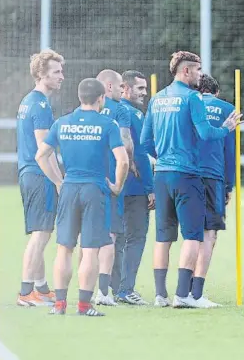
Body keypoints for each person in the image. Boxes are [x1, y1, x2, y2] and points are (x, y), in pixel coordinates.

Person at [141, 51, 242, 308]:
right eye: (197, 70)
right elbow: (207, 134)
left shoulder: (157, 98)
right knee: (194, 236)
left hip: (161, 175)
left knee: (163, 236)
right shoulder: (192, 97)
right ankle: (184, 295)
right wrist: (227, 128)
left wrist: (164, 156)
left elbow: (144, 142)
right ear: (186, 71)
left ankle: (160, 295)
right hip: (187, 174)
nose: (200, 75)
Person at [36, 78, 129, 316]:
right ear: (101, 98)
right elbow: (123, 160)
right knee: (90, 250)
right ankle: (85, 306)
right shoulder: (108, 124)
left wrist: (58, 181)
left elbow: (41, 156)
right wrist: (117, 185)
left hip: (69, 188)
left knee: (64, 248)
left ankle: (59, 305)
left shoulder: (62, 122)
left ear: (79, 97)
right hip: (95, 189)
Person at [16, 49, 64, 307]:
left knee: (40, 231)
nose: (62, 76)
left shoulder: (28, 101)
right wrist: (59, 181)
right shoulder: (41, 105)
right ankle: (25, 293)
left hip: (28, 175)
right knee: (42, 234)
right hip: (38, 176)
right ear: (41, 74)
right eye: (56, 72)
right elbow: (43, 153)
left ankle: (41, 288)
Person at [191, 74, 236, 308]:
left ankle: (178, 289)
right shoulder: (227, 109)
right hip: (213, 176)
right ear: (215, 92)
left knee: (190, 234)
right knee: (209, 234)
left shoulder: (187, 104)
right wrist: (229, 185)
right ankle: (196, 291)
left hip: (184, 173)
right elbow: (230, 151)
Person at [92, 69, 134, 306]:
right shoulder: (121, 111)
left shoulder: (86, 109)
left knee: (87, 237)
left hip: (86, 181)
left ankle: (85, 288)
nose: (123, 91)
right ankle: (104, 292)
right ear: (108, 87)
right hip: (111, 181)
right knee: (110, 236)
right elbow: (126, 146)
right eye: (120, 87)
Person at [116, 70, 154, 305]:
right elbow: (139, 153)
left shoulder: (108, 110)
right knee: (136, 238)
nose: (144, 93)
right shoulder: (133, 115)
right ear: (125, 89)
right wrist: (150, 187)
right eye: (140, 88)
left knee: (116, 238)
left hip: (114, 186)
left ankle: (108, 289)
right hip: (135, 188)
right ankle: (125, 289)